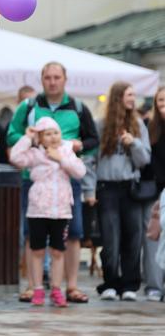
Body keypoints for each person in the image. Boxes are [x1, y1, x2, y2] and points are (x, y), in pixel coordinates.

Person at [7, 61, 99, 304]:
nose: (52, 81)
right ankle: (32, 286)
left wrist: (76, 146)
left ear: (65, 79)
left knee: (73, 234)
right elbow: (12, 135)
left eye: (57, 77)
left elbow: (93, 140)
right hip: (34, 180)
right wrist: (34, 140)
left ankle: (70, 287)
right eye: (48, 77)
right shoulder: (28, 106)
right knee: (31, 236)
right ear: (42, 79)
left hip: (67, 180)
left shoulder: (78, 107)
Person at [9, 117, 86, 307]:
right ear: (41, 138)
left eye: (56, 133)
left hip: (61, 211)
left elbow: (80, 171)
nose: (53, 137)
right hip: (38, 210)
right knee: (37, 250)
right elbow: (16, 157)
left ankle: (57, 289)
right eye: (47, 134)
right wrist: (27, 138)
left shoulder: (67, 151)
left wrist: (61, 160)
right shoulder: (35, 154)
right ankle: (37, 289)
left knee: (58, 251)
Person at [95, 82, 151, 301]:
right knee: (110, 238)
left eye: (133, 95)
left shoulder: (138, 124)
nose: (133, 99)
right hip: (107, 187)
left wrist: (133, 143)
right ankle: (110, 282)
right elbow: (92, 158)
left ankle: (129, 284)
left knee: (133, 237)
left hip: (130, 187)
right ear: (118, 97)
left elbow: (144, 160)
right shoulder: (101, 125)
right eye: (129, 95)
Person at [146, 86, 165, 300]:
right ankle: (156, 285)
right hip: (158, 191)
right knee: (158, 240)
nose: (163, 105)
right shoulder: (150, 128)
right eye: (160, 100)